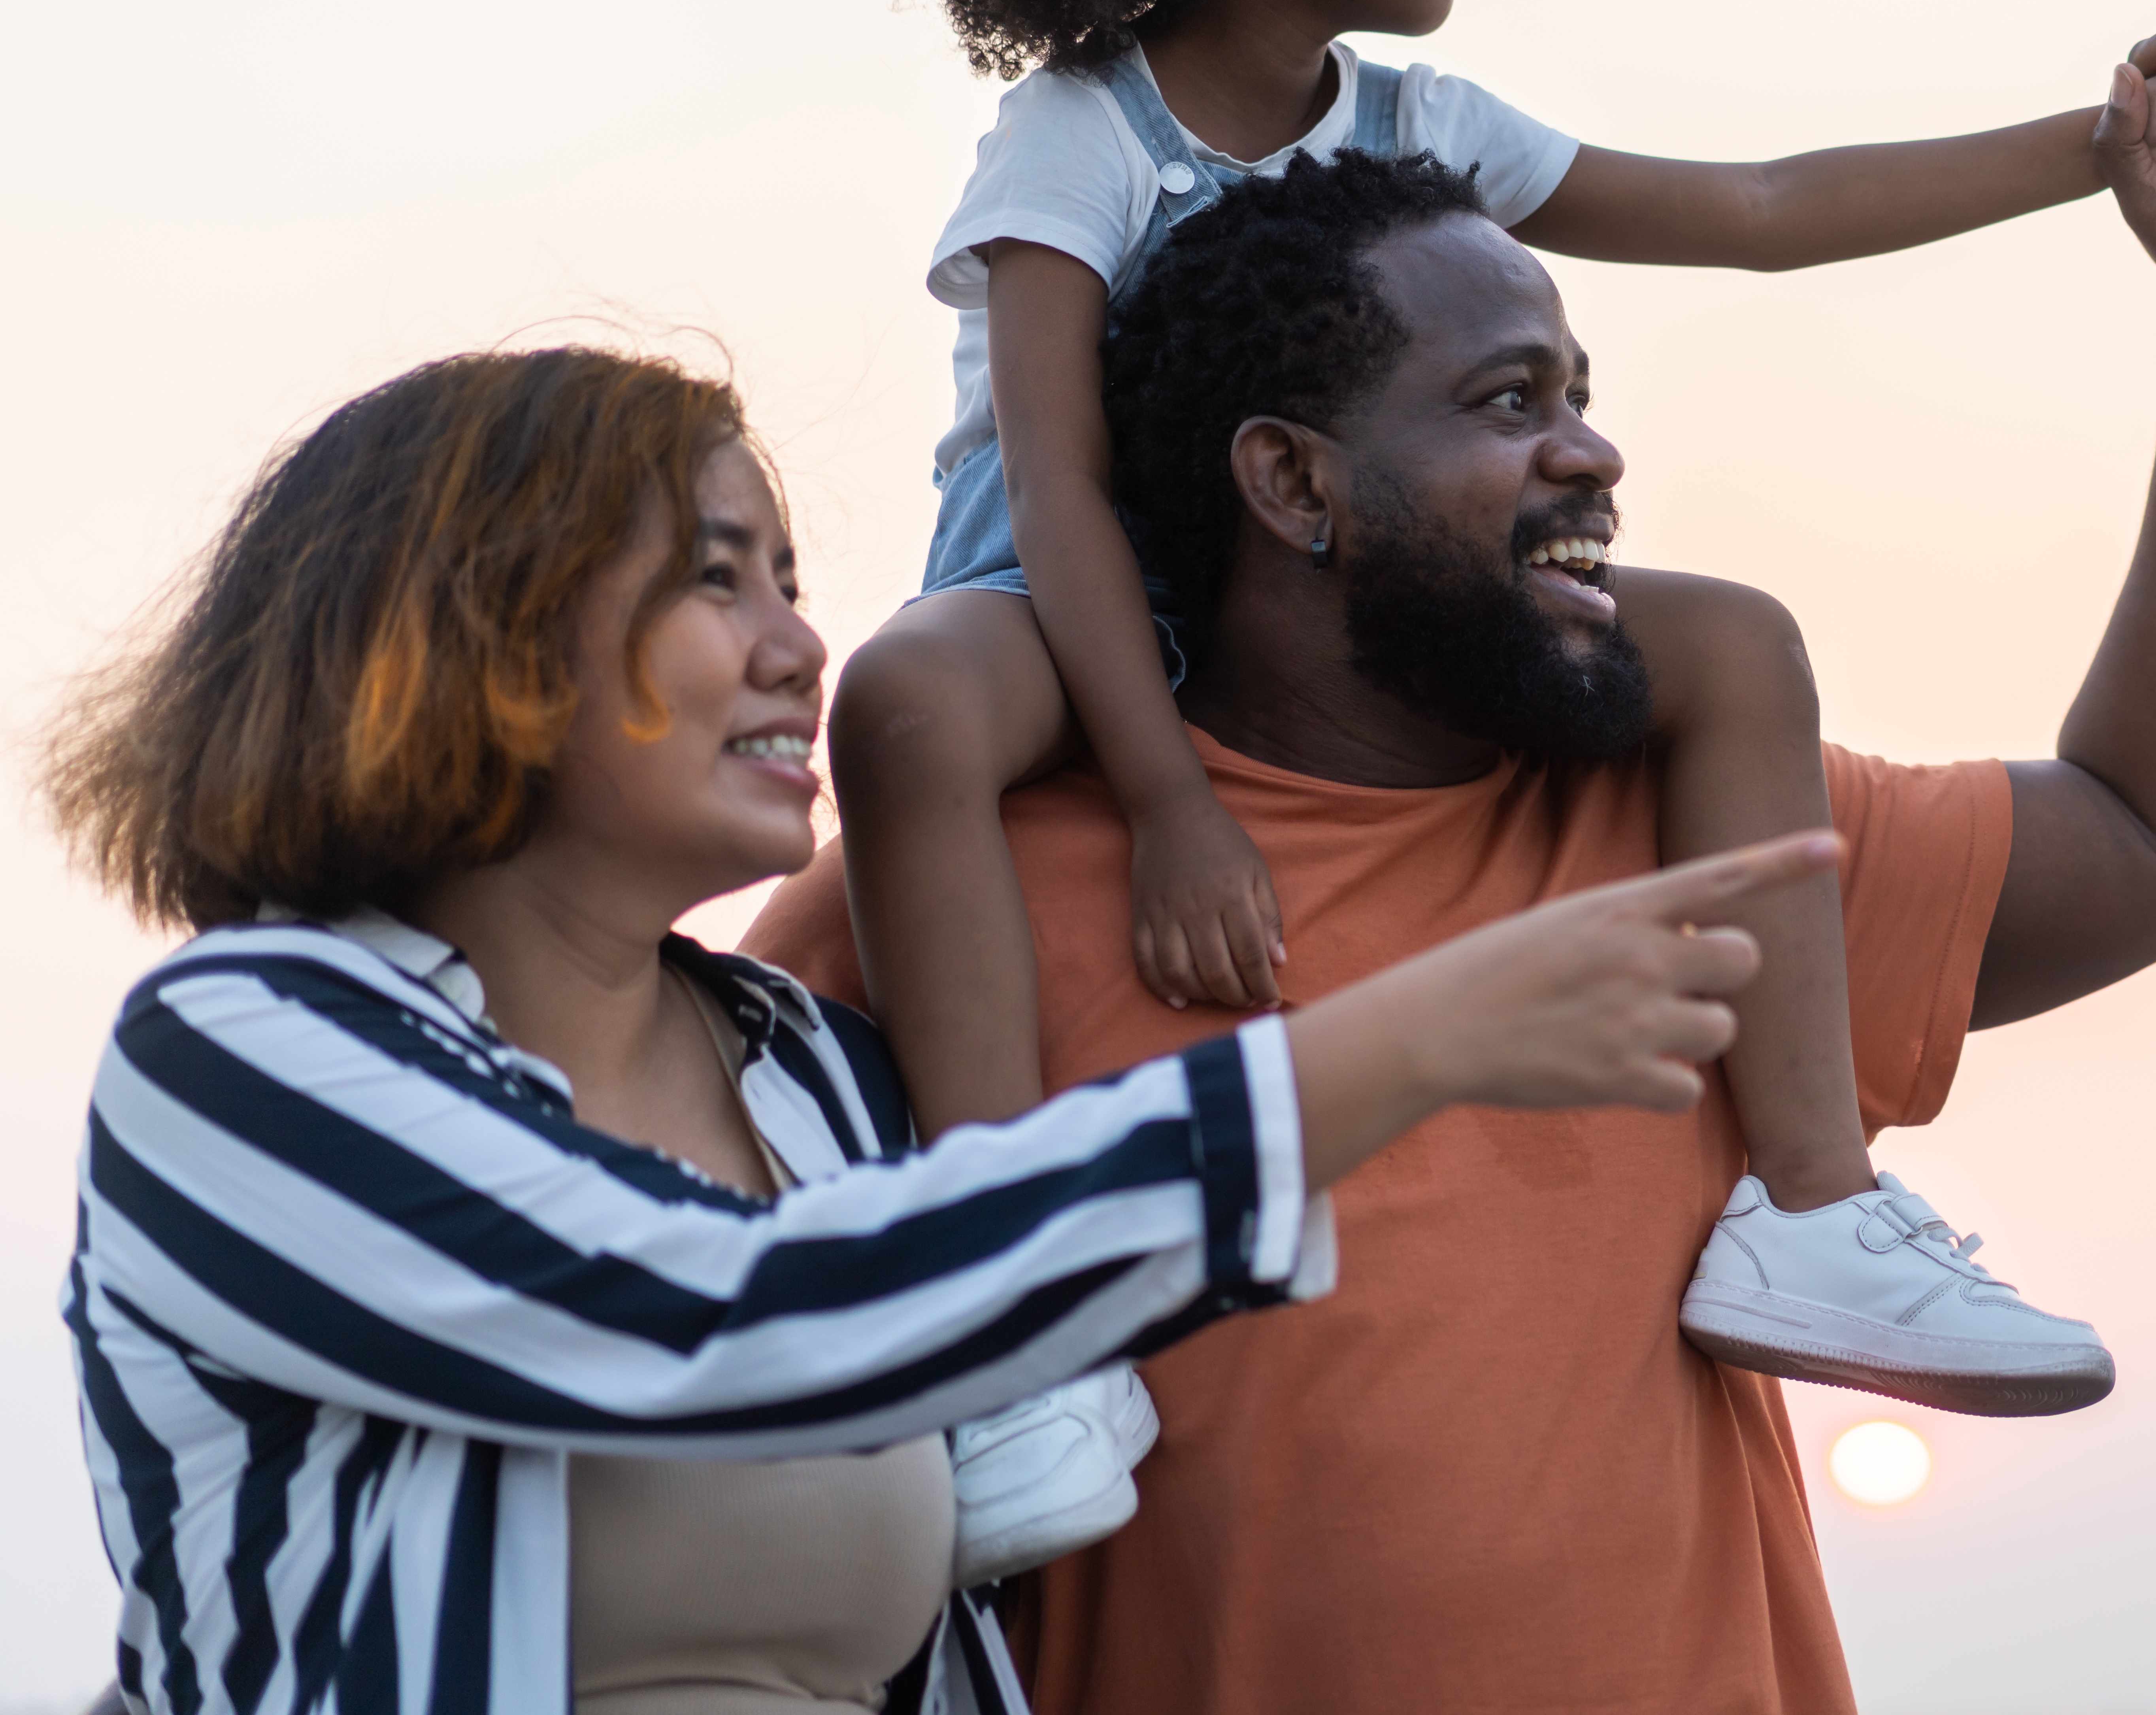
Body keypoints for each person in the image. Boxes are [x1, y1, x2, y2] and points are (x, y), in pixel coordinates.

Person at [737, 0, 2156, 1568]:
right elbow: (1066, 478)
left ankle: (1813, 1203)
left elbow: (1757, 209)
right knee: (908, 709)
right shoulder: (1074, 140)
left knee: (1730, 631)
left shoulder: (1419, 127)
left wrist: (2098, 150)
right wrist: (1167, 798)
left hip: (1287, 601)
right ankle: (1016, 1316)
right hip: (1063, 593)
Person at [743, 0, 2156, 1711]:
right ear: (1292, 483)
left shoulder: (1709, 831)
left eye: (1580, 391)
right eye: (1510, 403)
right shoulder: (969, 886)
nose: (1592, 451)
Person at [40, 346, 1825, 1715]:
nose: (801, 645)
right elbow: (716, 1323)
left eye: (793, 577)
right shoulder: (243, 1053)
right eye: (715, 579)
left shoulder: (816, 1075)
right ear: (470, 634)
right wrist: (1399, 1042)